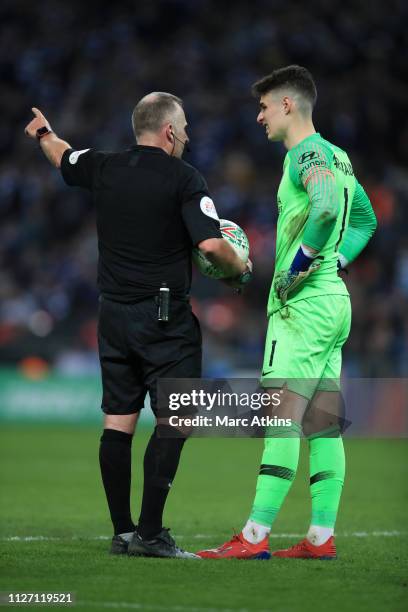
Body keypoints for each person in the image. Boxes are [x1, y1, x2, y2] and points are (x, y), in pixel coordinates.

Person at [24, 92, 252, 559]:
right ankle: (150, 534)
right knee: (179, 419)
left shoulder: (104, 166)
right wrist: (240, 268)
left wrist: (44, 133)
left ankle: (123, 531)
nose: (187, 135)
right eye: (184, 126)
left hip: (113, 316)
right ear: (168, 131)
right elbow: (211, 246)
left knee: (118, 421)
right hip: (164, 318)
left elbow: (62, 156)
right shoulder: (185, 178)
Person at [197, 65, 377, 560]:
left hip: (303, 307)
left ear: (287, 105)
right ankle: (321, 537)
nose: (259, 116)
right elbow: (364, 218)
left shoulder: (308, 154)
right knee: (322, 424)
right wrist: (336, 259)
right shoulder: (339, 159)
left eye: (263, 106)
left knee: (279, 419)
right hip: (333, 302)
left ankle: (254, 535)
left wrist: (299, 267)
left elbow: (322, 211)